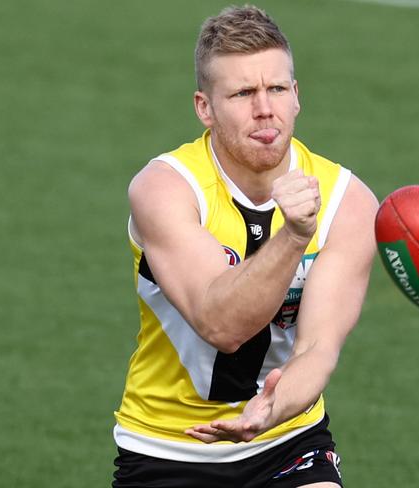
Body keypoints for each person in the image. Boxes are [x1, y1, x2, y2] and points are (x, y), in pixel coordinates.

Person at [112, 5, 378, 487]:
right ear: (204, 108)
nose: (264, 109)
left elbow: (318, 348)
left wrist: (274, 409)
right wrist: (294, 235)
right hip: (168, 447)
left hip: (288, 439)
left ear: (297, 96)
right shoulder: (166, 189)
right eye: (242, 93)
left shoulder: (348, 202)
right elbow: (221, 324)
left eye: (277, 88)